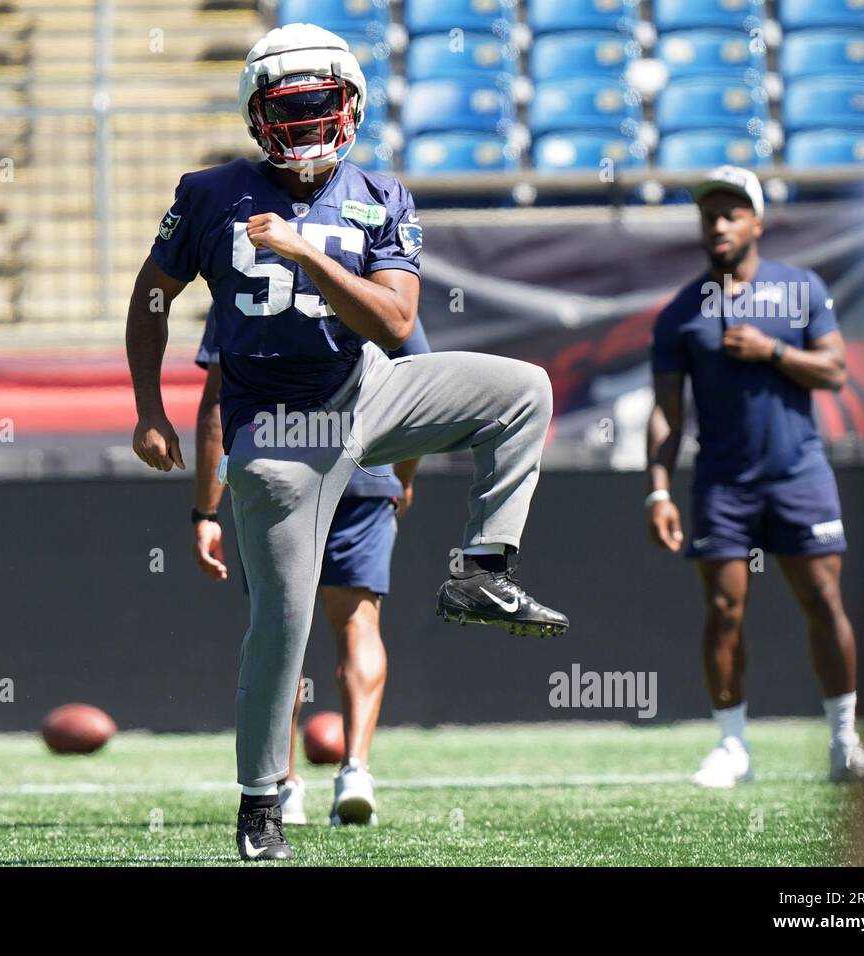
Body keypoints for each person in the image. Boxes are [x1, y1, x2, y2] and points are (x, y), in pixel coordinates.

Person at [126, 23, 565, 861]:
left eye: (317, 105)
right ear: (257, 114)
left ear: (351, 105)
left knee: (523, 391)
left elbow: (396, 321)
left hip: (365, 395)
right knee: (283, 626)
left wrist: (300, 252)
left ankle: (482, 571)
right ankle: (261, 806)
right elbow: (151, 296)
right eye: (287, 109)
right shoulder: (211, 191)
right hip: (279, 434)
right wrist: (149, 407)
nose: (303, 123)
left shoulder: (381, 194)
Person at [645, 165, 864, 788]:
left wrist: (773, 351)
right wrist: (659, 488)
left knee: (824, 601)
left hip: (800, 474)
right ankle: (732, 747)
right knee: (723, 609)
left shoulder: (800, 287)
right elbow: (667, 413)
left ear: (757, 222)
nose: (718, 224)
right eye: (708, 214)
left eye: (730, 212)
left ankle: (843, 741)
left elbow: (834, 371)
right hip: (722, 484)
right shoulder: (679, 313)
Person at [192, 308, 429, 827]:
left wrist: (206, 510)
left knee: (282, 625)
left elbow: (215, 405)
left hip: (278, 468)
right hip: (366, 468)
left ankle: (283, 786)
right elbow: (416, 382)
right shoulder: (367, 278)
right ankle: (356, 772)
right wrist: (402, 478)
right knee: (358, 622)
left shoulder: (238, 274)